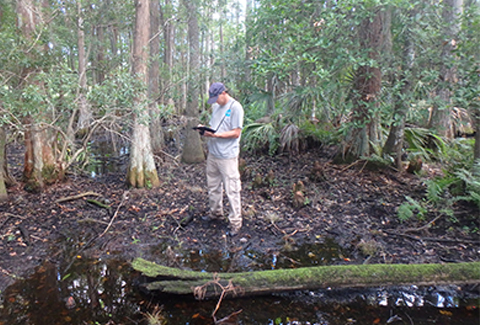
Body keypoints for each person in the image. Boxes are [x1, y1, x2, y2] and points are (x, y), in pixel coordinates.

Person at [197, 82, 244, 236]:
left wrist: (216, 135)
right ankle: (216, 213)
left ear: (224, 93)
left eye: (216, 98)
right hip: (213, 154)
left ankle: (235, 222)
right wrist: (204, 130)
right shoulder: (216, 107)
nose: (215, 102)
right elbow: (215, 127)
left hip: (227, 156)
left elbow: (236, 133)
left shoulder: (236, 107)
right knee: (213, 185)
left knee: (232, 189)